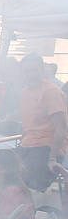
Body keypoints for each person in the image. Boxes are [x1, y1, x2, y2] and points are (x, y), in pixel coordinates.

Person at [16, 54, 66, 191]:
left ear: (42, 70)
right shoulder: (24, 92)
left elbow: (61, 129)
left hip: (47, 148)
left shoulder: (51, 91)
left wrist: (52, 159)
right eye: (27, 71)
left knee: (30, 187)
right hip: (27, 146)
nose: (31, 74)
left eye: (34, 70)